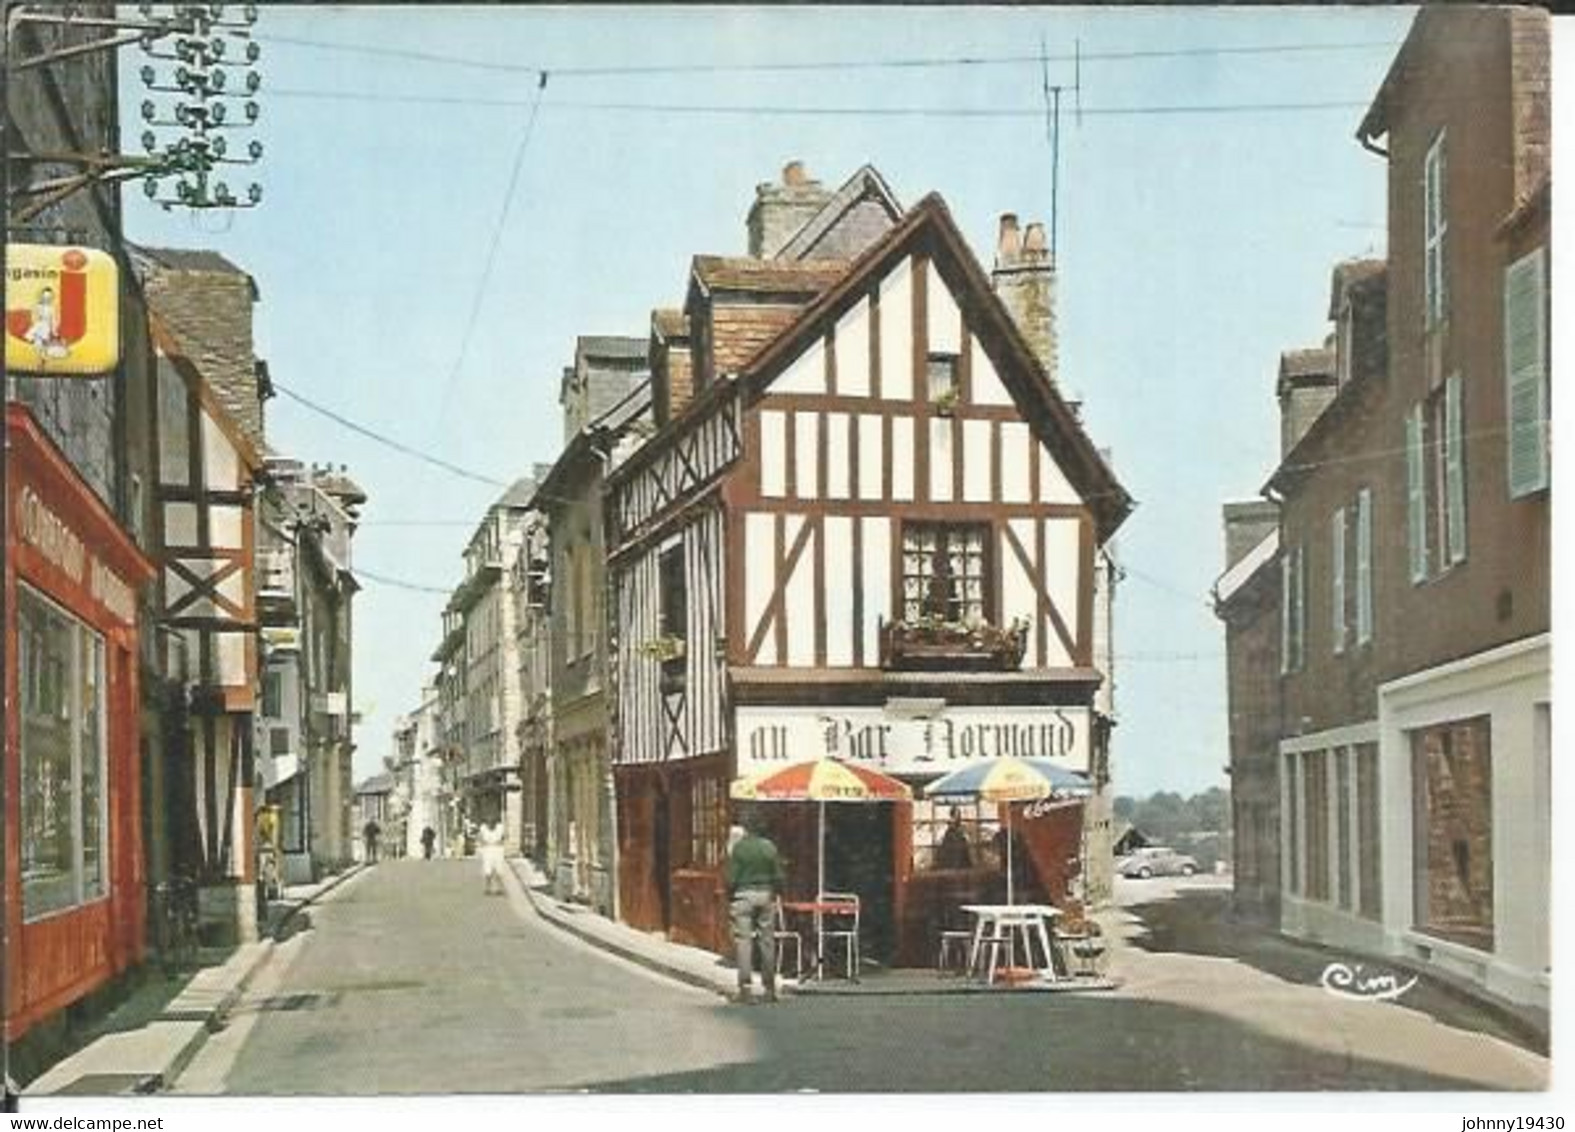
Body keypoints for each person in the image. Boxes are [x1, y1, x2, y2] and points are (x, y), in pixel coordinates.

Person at [724, 821, 785, 1005]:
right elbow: (779, 876)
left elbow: (731, 878)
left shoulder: (739, 848)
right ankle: (770, 989)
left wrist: (730, 895)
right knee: (767, 941)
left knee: (744, 942)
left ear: (746, 830)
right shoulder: (769, 847)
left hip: (743, 895)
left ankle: (745, 990)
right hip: (765, 894)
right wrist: (776, 893)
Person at [478, 818, 507, 895]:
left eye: (492, 822)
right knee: (488, 870)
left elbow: (504, 837)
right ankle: (488, 888)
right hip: (487, 850)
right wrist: (484, 843)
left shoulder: (500, 827)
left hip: (498, 850)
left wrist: (500, 842)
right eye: (489, 822)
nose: (491, 824)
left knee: (499, 870)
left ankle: (499, 888)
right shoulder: (483, 828)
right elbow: (480, 838)